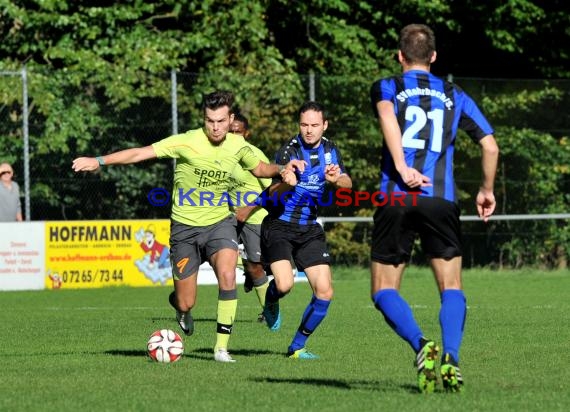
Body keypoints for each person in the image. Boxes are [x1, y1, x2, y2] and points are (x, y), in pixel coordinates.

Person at [72, 90, 304, 363]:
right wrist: (98, 161)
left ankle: (220, 348)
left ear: (230, 119)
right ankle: (181, 309)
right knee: (186, 301)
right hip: (184, 229)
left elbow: (261, 168)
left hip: (220, 223)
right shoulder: (186, 141)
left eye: (220, 121)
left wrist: (281, 168)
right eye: (209, 121)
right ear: (203, 119)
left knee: (228, 275)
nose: (215, 127)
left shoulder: (237, 146)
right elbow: (140, 153)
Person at [369, 24, 499, 393]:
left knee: (383, 290)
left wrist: (403, 168)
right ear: (434, 57)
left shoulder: (388, 85)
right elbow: (490, 146)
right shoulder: (455, 94)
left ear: (400, 56)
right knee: (452, 286)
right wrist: (486, 189)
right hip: (441, 199)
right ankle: (452, 357)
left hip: (396, 195)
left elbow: (386, 116)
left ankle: (422, 345)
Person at [260, 101, 352, 359]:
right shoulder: (289, 151)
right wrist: (286, 182)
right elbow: (271, 194)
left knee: (325, 292)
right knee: (285, 284)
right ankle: (270, 298)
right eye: (304, 125)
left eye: (314, 125)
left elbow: (347, 182)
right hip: (279, 225)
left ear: (324, 125)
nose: (309, 130)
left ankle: (296, 347)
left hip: (309, 228)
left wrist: (337, 180)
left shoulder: (331, 149)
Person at [228, 113, 271, 322]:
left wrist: (248, 208)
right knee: (213, 253)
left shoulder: (254, 155)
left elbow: (272, 189)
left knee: (256, 267)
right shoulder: (221, 155)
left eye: (238, 132)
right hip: (229, 217)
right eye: (231, 131)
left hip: (255, 218)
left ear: (246, 133)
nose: (234, 136)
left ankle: (268, 311)